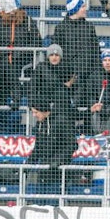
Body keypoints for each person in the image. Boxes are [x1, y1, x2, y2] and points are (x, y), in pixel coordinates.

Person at [29, 44, 79, 188]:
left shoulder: (68, 69)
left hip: (62, 113)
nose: (54, 57)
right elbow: (32, 90)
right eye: (52, 55)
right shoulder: (40, 69)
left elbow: (71, 145)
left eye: (57, 55)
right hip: (46, 111)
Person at [0, 9, 43, 87]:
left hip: (23, 58)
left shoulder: (27, 21)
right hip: (2, 58)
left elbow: (37, 42)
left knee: (13, 68)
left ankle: (16, 94)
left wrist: (23, 52)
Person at [51, 0, 100, 87]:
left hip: (87, 74)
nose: (85, 9)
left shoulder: (89, 27)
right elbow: (56, 51)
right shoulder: (61, 28)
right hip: (66, 74)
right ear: (75, 9)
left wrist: (95, 71)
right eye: (83, 6)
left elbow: (96, 50)